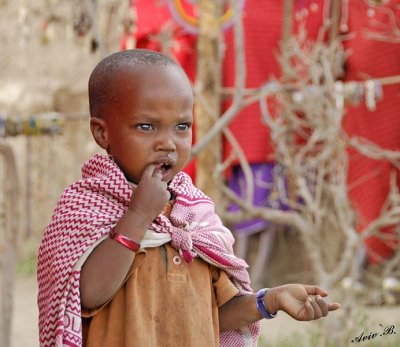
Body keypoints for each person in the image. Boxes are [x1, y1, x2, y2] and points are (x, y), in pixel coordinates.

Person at [37, 49, 340, 347]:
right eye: (146, 126)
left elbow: (212, 315)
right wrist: (139, 216)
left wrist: (270, 300)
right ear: (102, 134)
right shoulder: (85, 207)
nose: (168, 143)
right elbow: (87, 293)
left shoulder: (192, 214)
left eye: (182, 126)